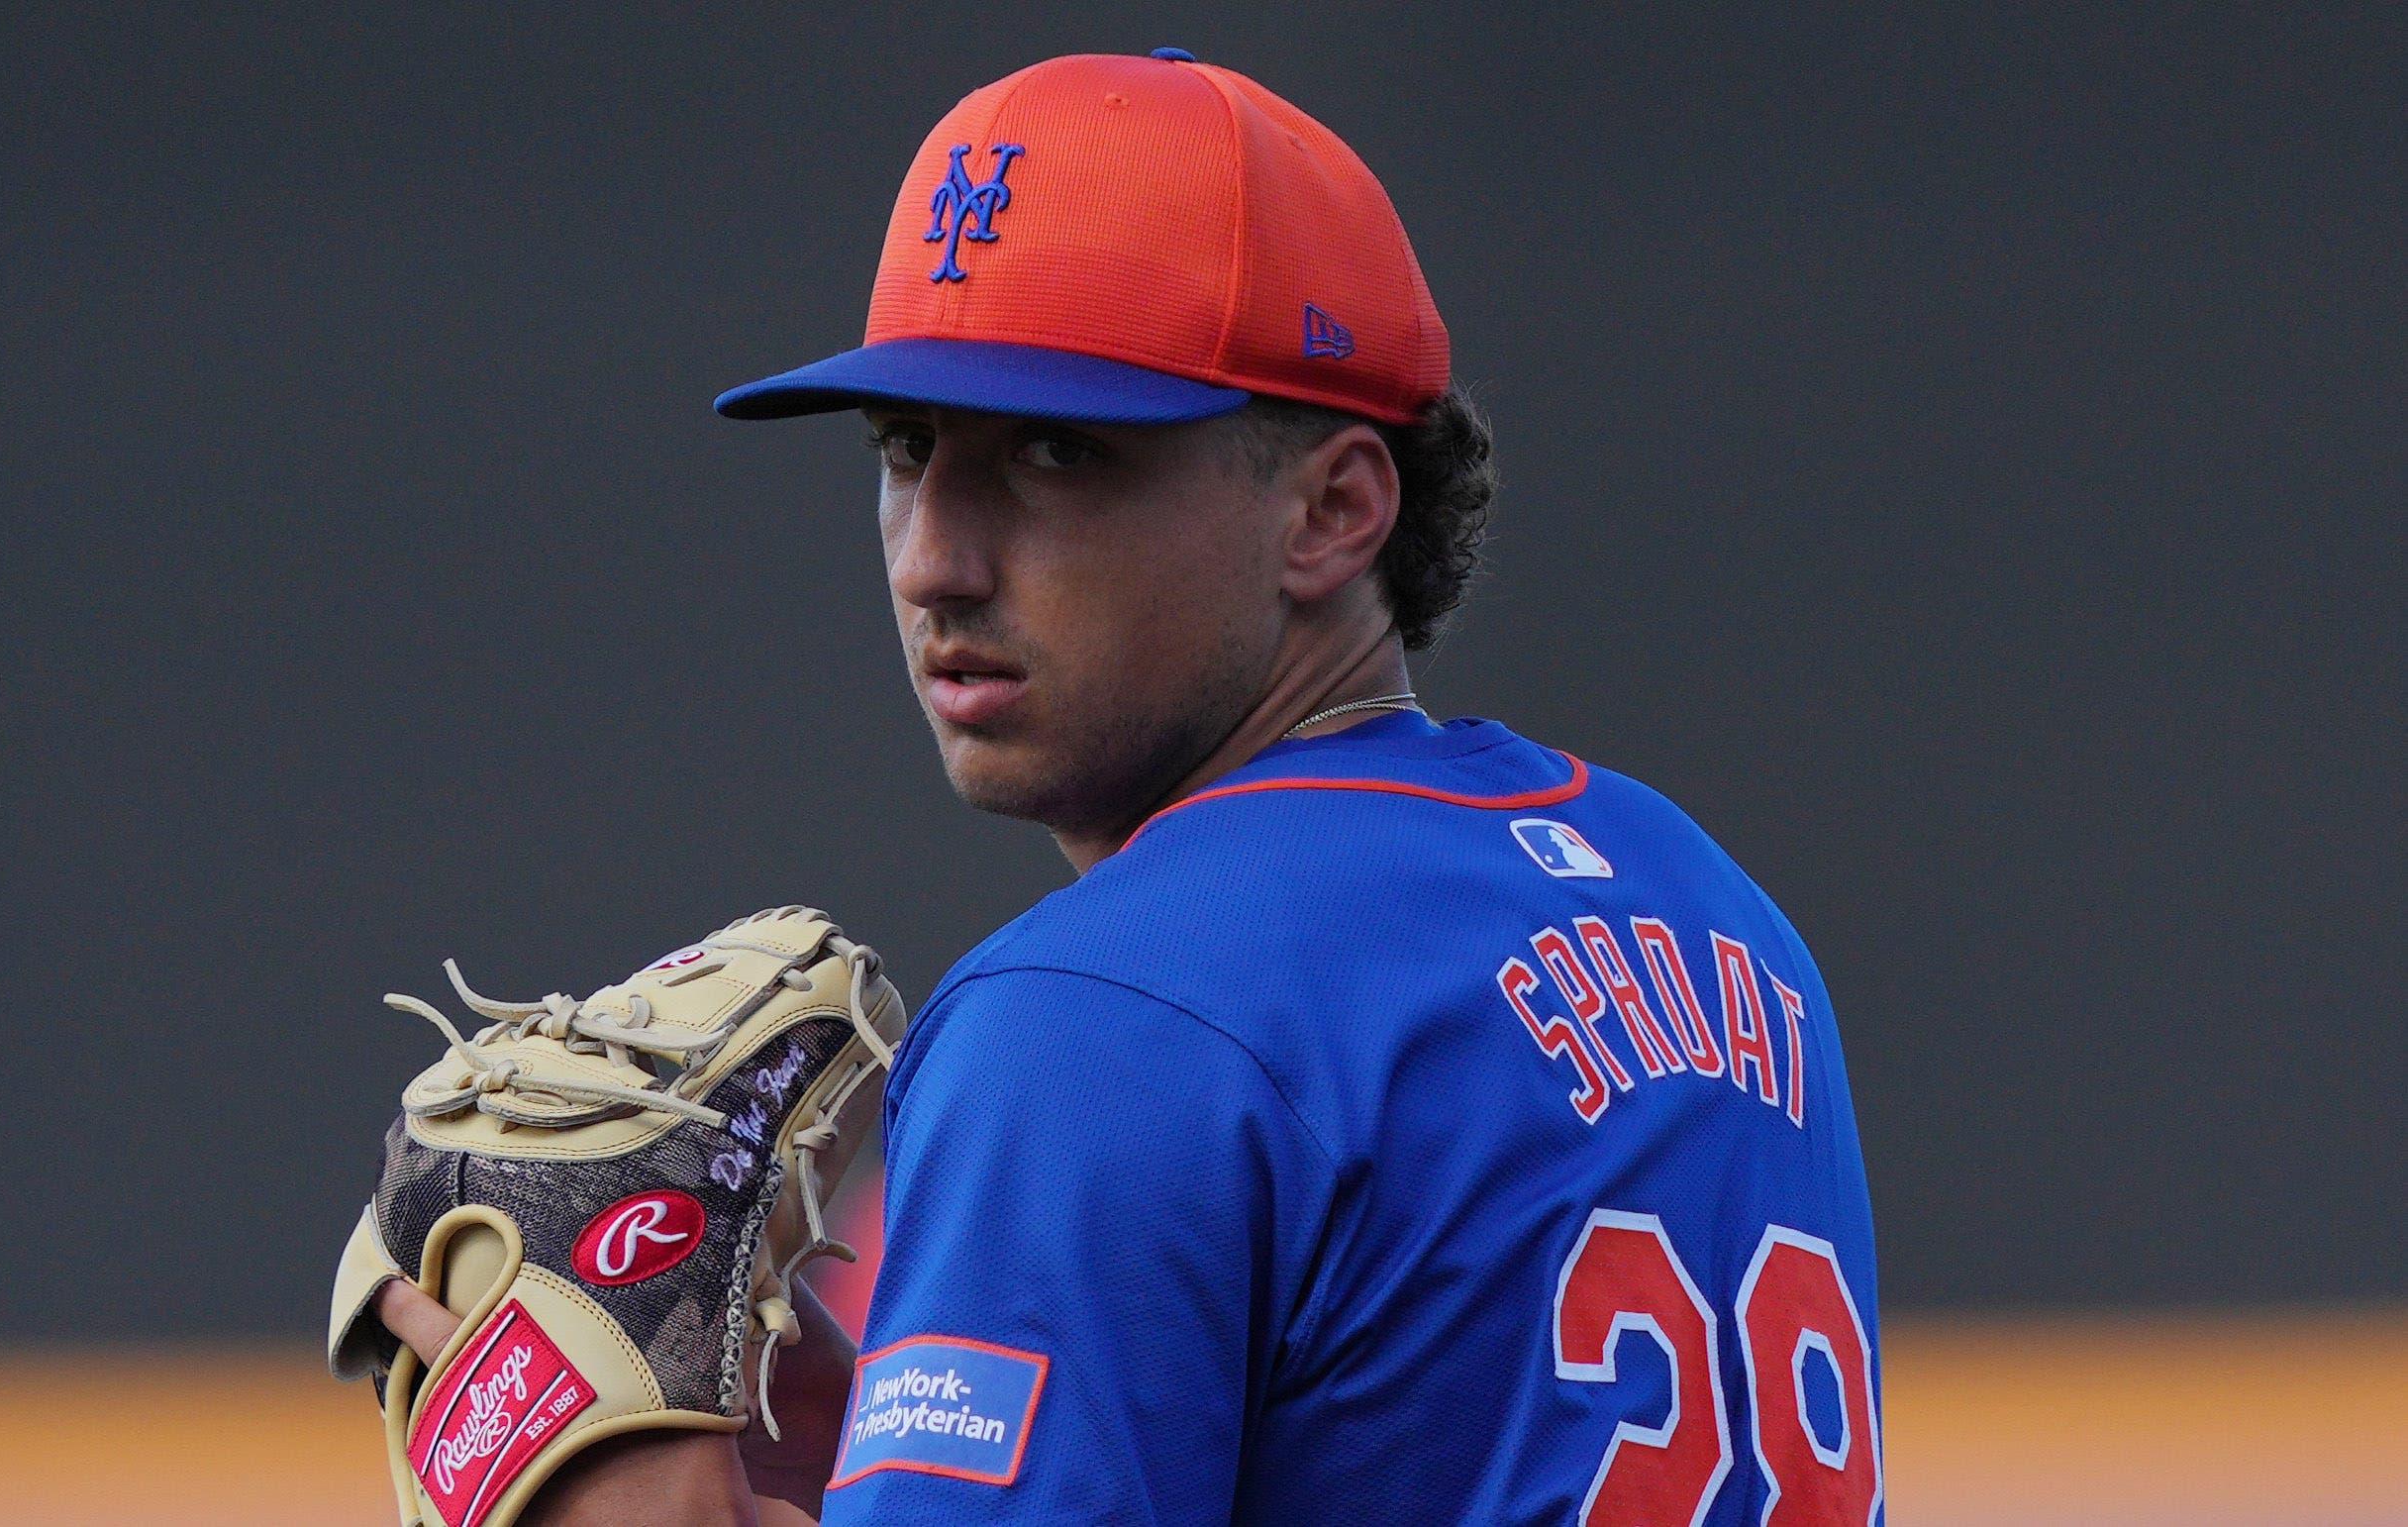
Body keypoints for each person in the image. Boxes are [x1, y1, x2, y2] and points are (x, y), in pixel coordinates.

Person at [374, 49, 1882, 1525]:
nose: (933, 555)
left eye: (1050, 451)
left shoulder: (1105, 1012)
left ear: (1333, 508)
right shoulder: (1709, 908)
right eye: (909, 447)